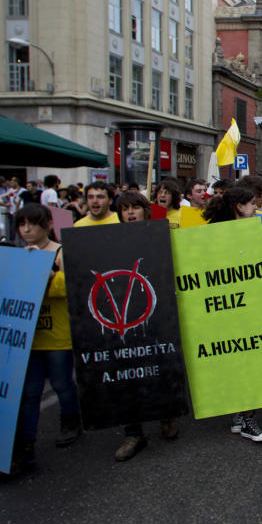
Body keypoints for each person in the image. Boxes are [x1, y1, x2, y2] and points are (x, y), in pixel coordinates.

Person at [9, 204, 82, 475]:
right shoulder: (20, 255)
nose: (27, 230)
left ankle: (70, 421)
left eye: (33, 224)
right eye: (22, 224)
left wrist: (47, 274)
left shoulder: (59, 253)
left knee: (63, 384)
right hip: (29, 335)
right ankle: (26, 444)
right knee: (29, 393)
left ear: (47, 225)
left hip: (57, 335)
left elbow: (71, 285)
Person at [110, 195, 180, 460]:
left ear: (146, 211)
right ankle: (133, 432)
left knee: (158, 367)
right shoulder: (108, 239)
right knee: (128, 373)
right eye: (125, 209)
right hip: (124, 317)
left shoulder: (160, 235)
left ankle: (166, 415)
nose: (130, 213)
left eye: (135, 208)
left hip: (156, 312)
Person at [201, 187, 262, 442]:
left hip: (239, 306)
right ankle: (246, 419)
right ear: (239, 207)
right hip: (236, 308)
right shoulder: (225, 235)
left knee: (241, 359)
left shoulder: (236, 231)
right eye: (252, 204)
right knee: (246, 361)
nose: (256, 208)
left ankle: (239, 415)